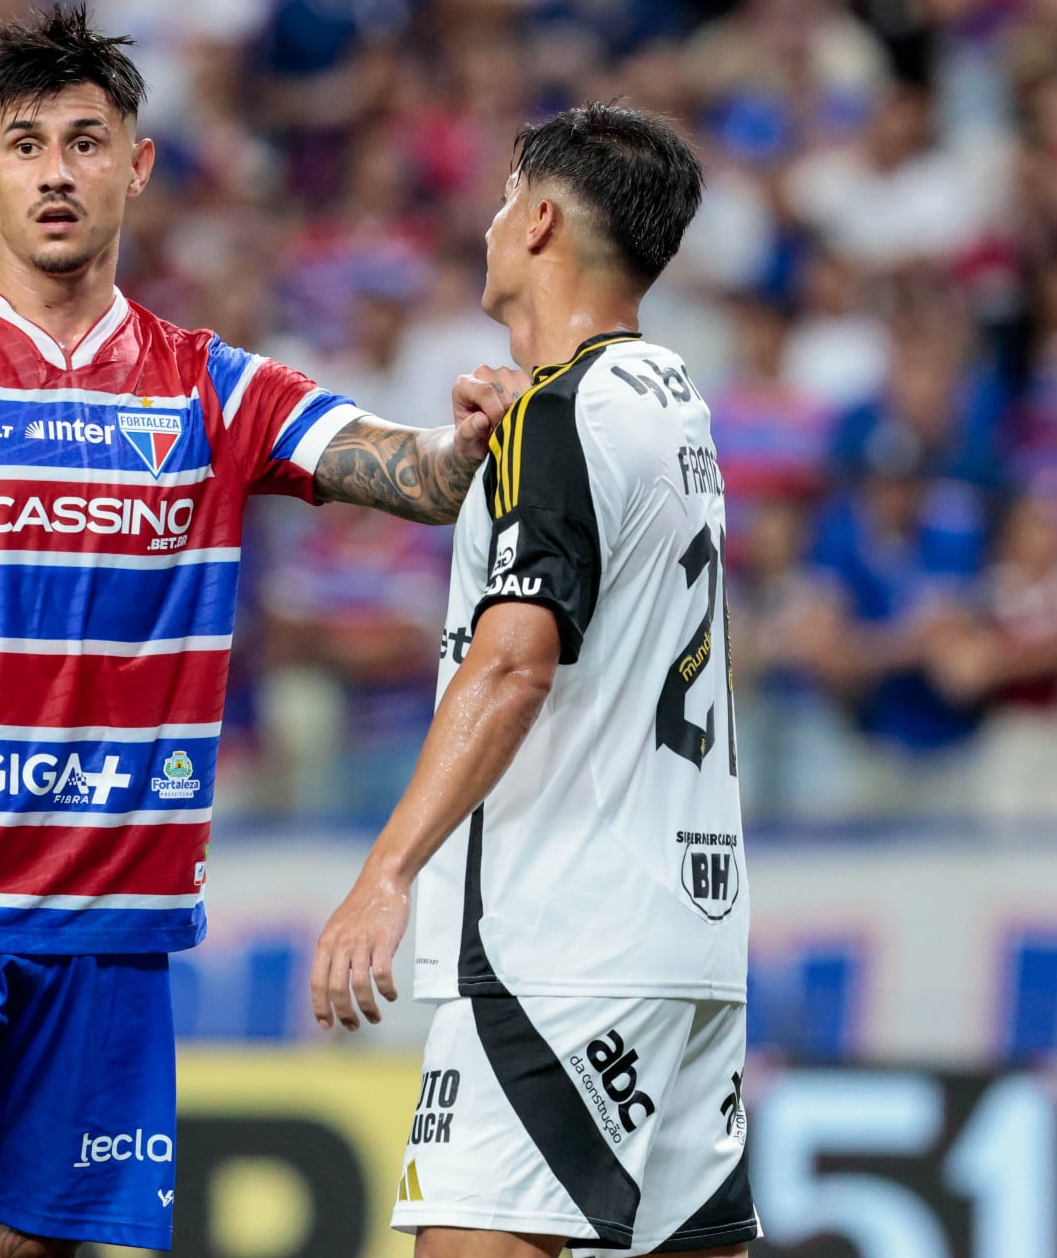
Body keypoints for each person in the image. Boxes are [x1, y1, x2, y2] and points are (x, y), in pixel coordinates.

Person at [0, 5, 519, 1258]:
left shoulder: (211, 383)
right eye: (24, 145)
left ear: (140, 161)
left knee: (20, 1245)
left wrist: (466, 434)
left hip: (112, 919)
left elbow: (413, 475)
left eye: (85, 139)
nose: (56, 171)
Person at [311, 104, 760, 1258]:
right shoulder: (674, 405)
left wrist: (386, 870)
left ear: (545, 218)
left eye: (507, 199)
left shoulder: (558, 420)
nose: (494, 221)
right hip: (689, 942)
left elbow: (514, 664)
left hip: (557, 945)